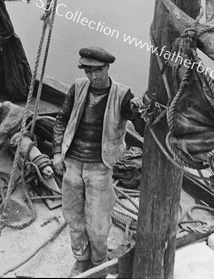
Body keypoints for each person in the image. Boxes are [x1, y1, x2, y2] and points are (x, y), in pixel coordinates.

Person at [52, 47, 145, 277]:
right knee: (74, 217)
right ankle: (81, 260)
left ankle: (99, 264)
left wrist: (141, 111)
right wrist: (56, 152)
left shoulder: (123, 95)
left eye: (98, 70)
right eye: (88, 71)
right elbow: (61, 120)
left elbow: (143, 129)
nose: (93, 76)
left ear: (107, 68)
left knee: (98, 223)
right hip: (72, 162)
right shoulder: (77, 88)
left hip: (100, 167)